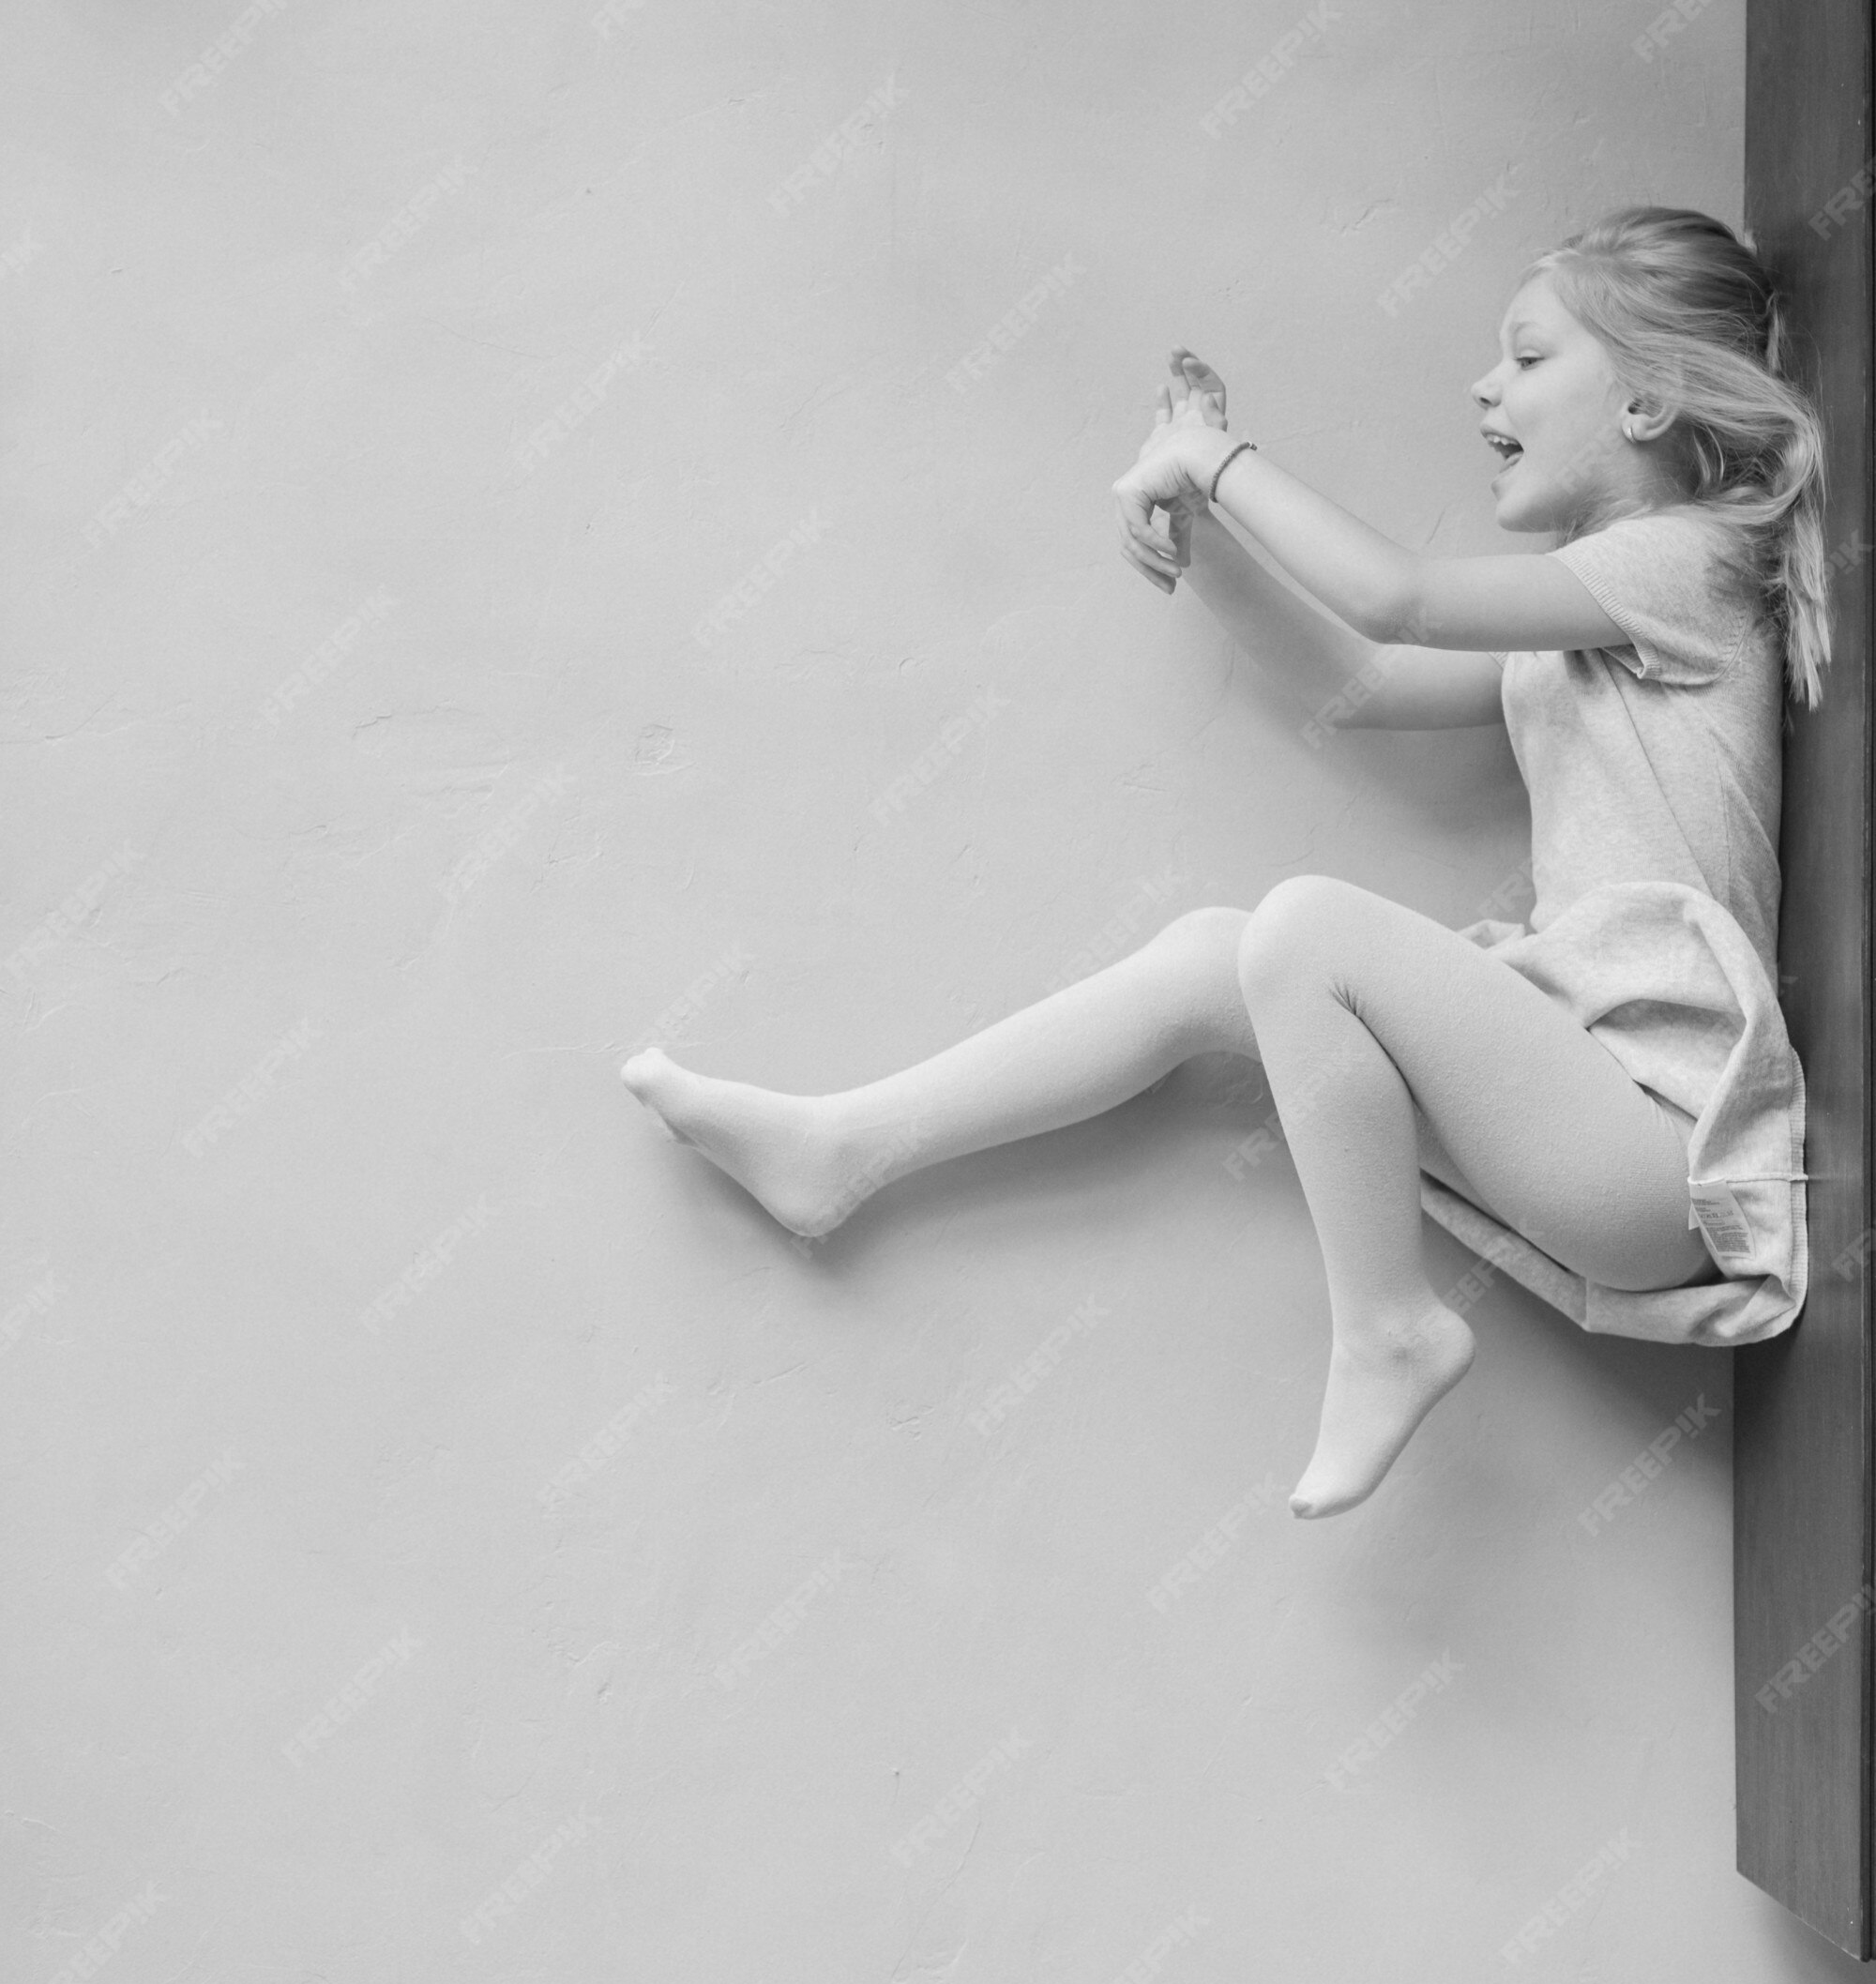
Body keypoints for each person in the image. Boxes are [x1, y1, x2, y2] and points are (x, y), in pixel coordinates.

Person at [622, 207, 1830, 1518]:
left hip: (1662, 1134)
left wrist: (1219, 452)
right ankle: (841, 1148)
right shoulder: (1584, 612)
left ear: (1649, 401)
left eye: (1529, 358)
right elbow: (1366, 677)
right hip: (1583, 1112)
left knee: (1306, 926)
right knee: (1220, 955)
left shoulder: (1691, 562)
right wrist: (1200, 534)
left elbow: (1398, 599)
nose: (1486, 386)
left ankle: (1389, 1331)